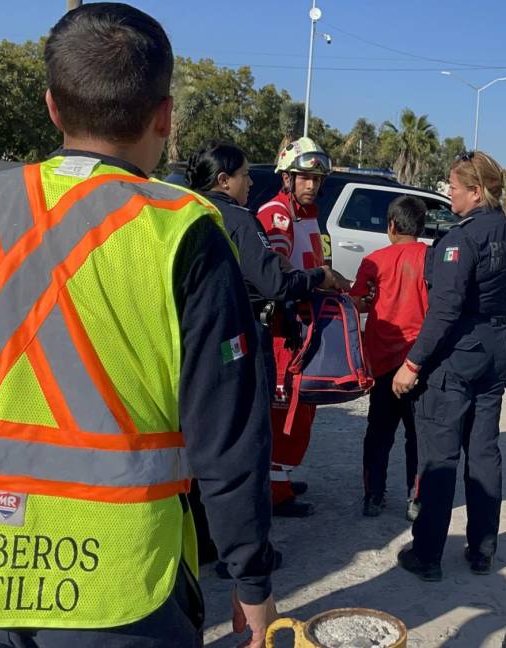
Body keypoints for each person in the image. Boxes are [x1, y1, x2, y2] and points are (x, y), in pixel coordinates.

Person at [0, 5, 277, 646]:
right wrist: (253, 583)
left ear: (52, 106)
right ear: (164, 115)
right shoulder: (183, 232)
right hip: (120, 586)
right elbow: (229, 436)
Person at [184, 141, 349, 557]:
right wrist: (319, 279)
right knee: (252, 439)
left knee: (216, 437)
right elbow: (274, 279)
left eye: (317, 178)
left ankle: (209, 538)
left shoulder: (187, 211)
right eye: (243, 175)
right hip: (253, 333)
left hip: (205, 338)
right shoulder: (260, 216)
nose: (249, 183)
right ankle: (245, 545)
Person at [391, 151, 506, 582]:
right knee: (484, 452)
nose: (447, 193)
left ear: (474, 191)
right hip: (497, 348)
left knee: (440, 457)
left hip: (459, 355)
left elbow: (444, 312)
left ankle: (428, 554)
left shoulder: (460, 241)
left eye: (453, 186)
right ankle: (483, 550)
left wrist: (411, 364)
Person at [256, 136, 335, 517]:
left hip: (303, 323)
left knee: (300, 408)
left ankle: (280, 477)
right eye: (303, 177)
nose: (311, 184)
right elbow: (278, 271)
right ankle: (274, 490)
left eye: (316, 179)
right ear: (286, 178)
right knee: (285, 407)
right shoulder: (278, 214)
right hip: (284, 327)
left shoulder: (305, 215)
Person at [349, 195, 428, 520]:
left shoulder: (374, 261)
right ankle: (417, 498)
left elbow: (355, 304)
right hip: (418, 363)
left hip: (382, 362)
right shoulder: (432, 257)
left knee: (379, 433)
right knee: (418, 436)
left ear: (391, 226)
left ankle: (373, 496)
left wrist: (370, 301)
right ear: (421, 227)